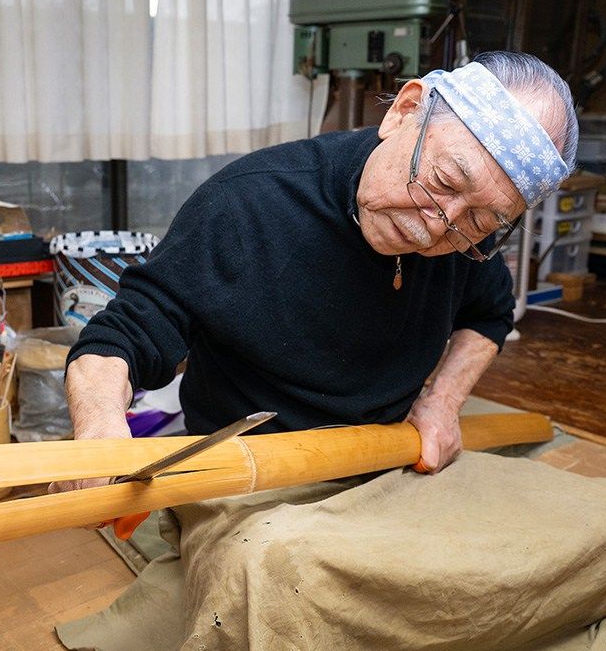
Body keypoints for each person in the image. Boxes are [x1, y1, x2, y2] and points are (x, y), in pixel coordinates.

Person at [54, 51, 578, 493]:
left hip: (388, 457)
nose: (436, 230)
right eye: (442, 180)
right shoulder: (249, 202)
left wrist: (441, 402)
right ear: (406, 110)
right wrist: (100, 430)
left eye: (483, 220)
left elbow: (489, 315)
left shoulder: (465, 237)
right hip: (251, 471)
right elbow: (120, 338)